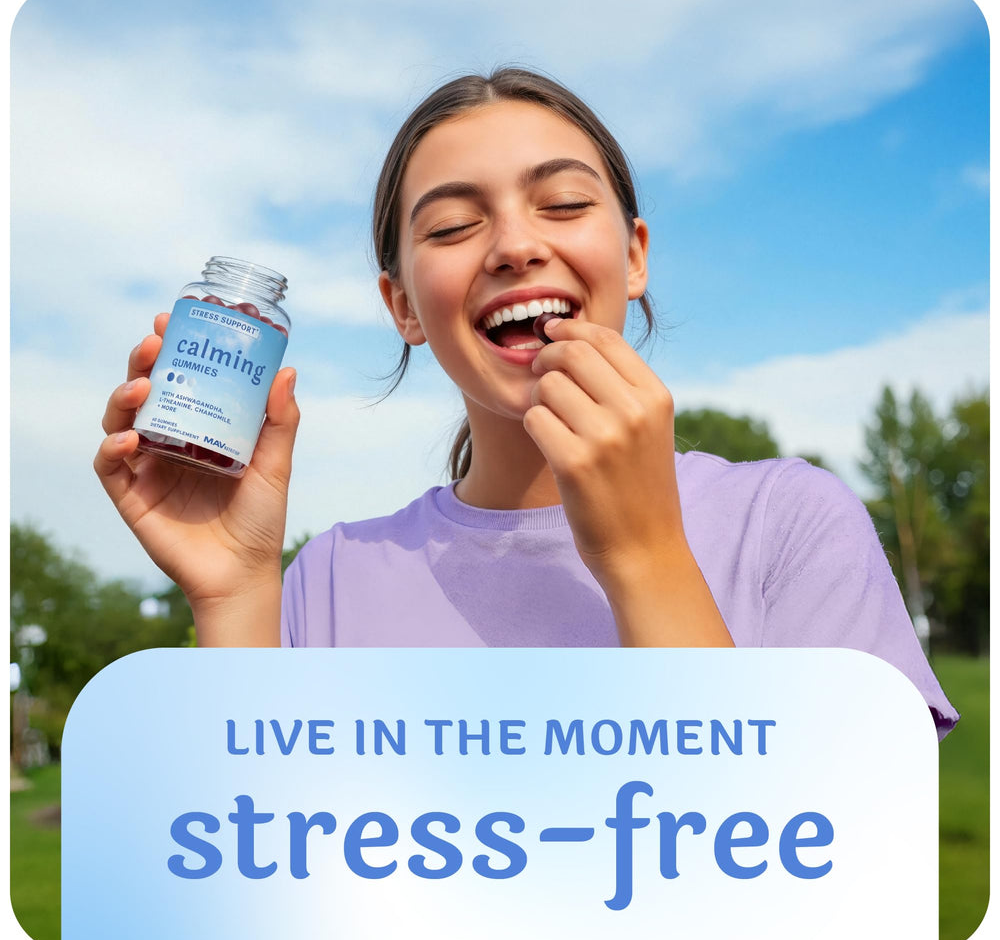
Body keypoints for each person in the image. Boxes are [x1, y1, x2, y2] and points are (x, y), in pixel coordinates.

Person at [96, 67, 958, 738]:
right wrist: (234, 590)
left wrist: (646, 553)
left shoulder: (792, 523)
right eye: (451, 227)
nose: (514, 245)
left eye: (564, 204)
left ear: (635, 255)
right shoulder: (328, 580)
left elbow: (841, 872)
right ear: (403, 307)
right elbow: (248, 870)